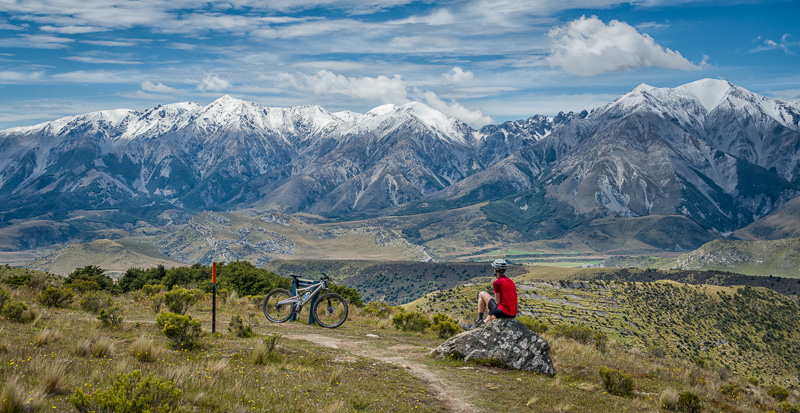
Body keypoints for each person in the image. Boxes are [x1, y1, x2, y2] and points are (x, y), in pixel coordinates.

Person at [461, 259, 517, 330]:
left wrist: (491, 309)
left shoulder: (497, 282)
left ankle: (478, 320)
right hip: (512, 314)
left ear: (495, 270)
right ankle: (475, 328)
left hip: (502, 312)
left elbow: (498, 302)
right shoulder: (511, 282)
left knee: (482, 294)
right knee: (490, 317)